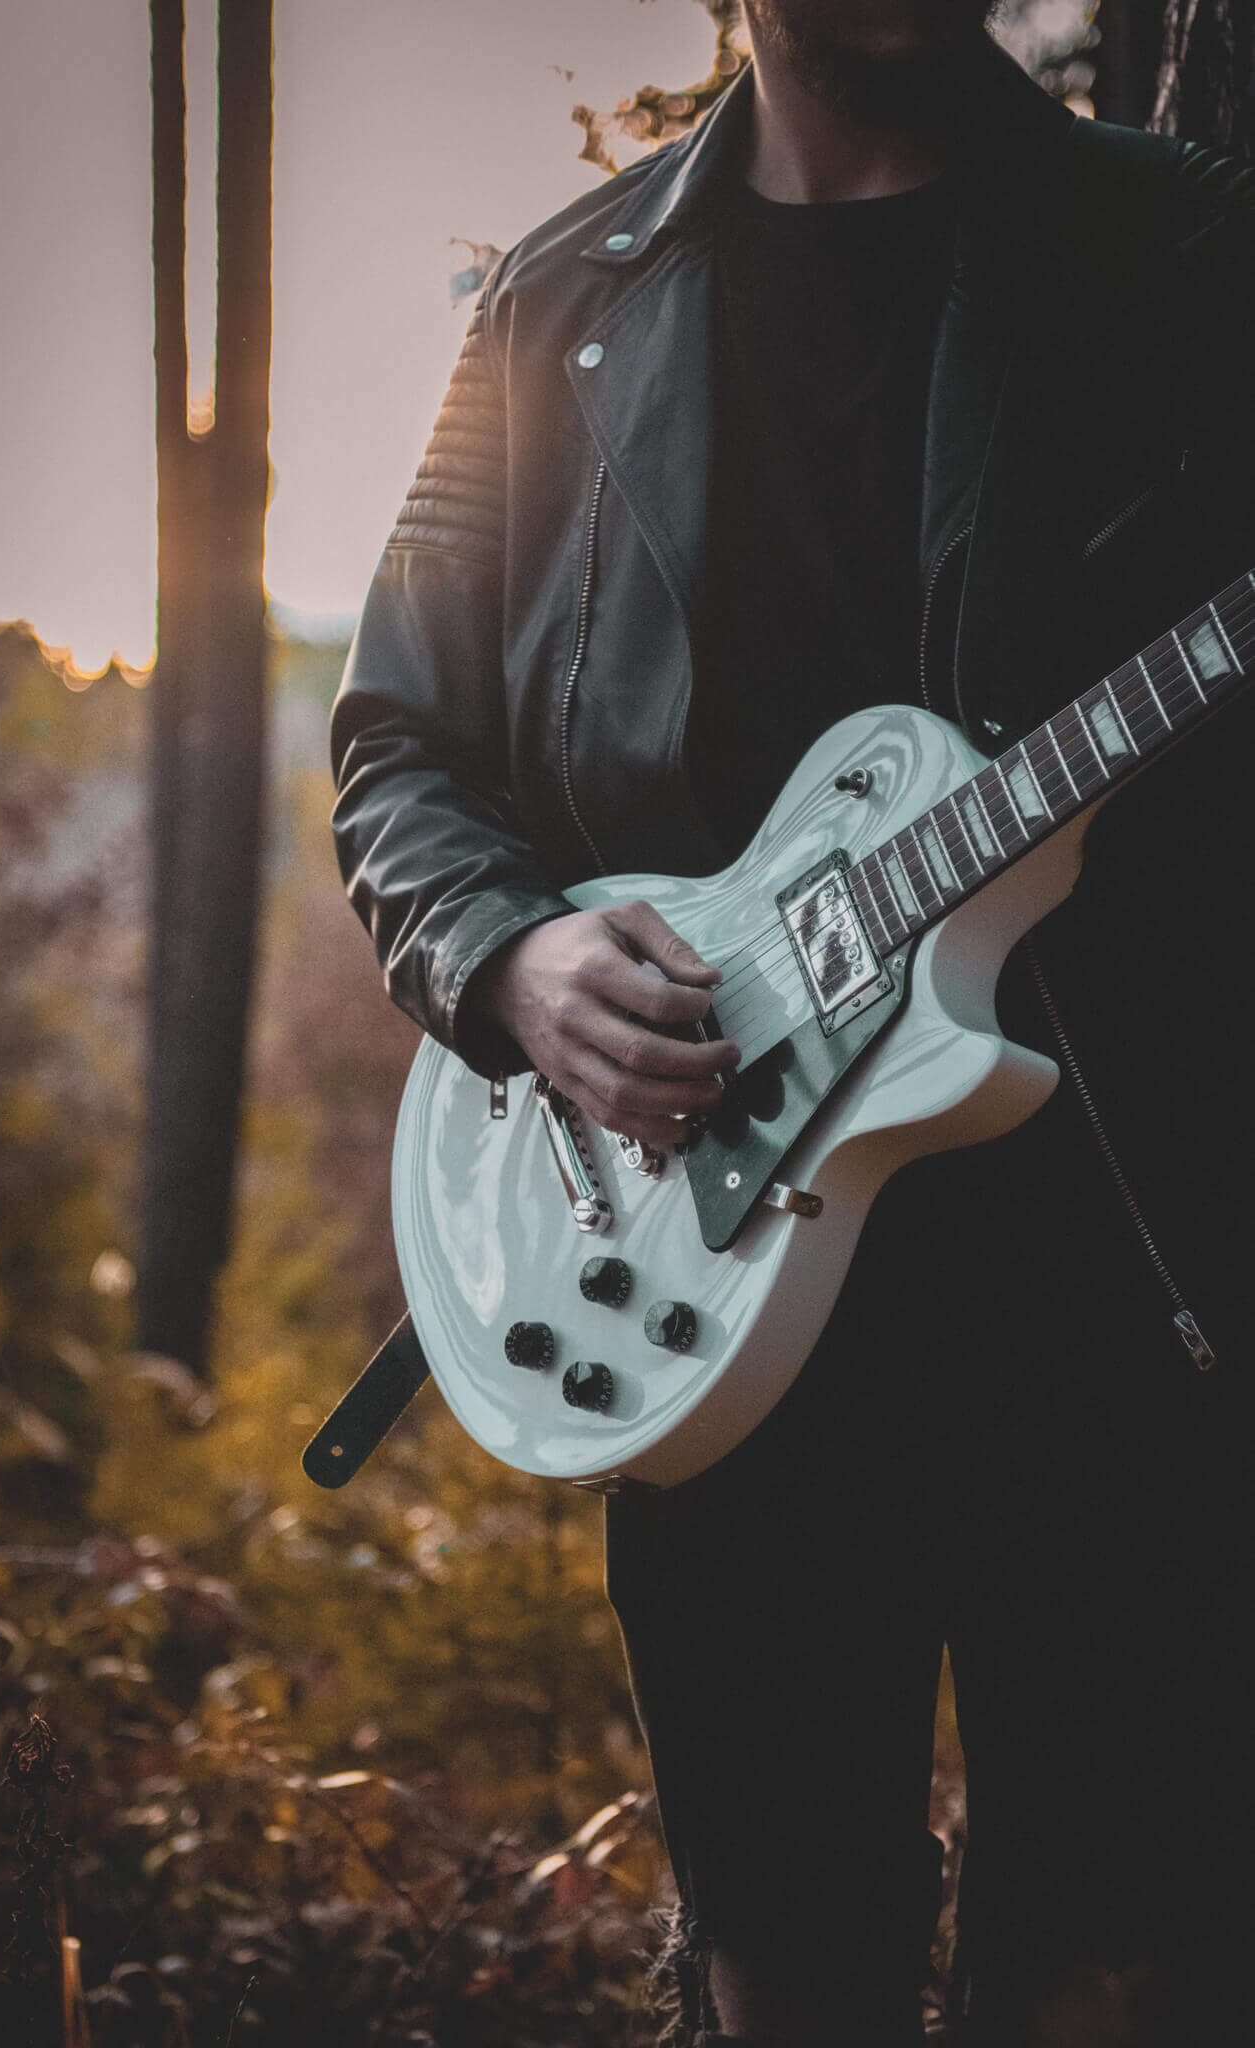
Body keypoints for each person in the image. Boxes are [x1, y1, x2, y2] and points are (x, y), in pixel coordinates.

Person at [329, 6, 1255, 2041]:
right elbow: (396, 734)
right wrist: (510, 960)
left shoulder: (1189, 251)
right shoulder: (552, 304)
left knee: (1118, 1958)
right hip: (697, 1253)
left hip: (1115, 1258)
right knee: (780, 1950)